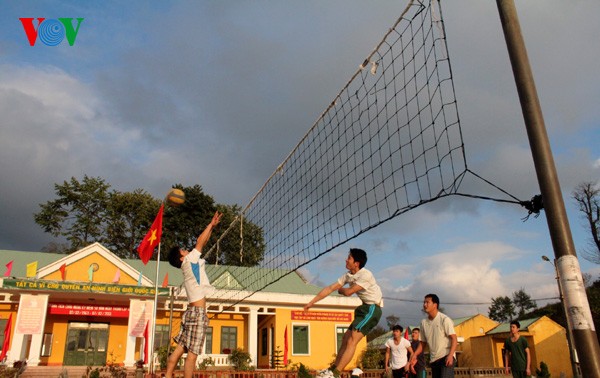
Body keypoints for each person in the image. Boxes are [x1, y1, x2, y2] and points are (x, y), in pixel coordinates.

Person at [304, 248, 383, 377]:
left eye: (349, 258)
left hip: (372, 309)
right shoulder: (348, 275)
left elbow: (348, 292)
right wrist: (311, 303)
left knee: (352, 340)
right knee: (346, 339)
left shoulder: (365, 275)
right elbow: (329, 288)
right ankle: (332, 369)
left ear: (356, 263)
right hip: (364, 308)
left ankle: (335, 373)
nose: (346, 260)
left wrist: (339, 289)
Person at [165, 211, 222, 378]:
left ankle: (167, 376)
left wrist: (212, 228)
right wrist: (211, 224)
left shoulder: (187, 265)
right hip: (197, 314)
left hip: (190, 313)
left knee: (179, 349)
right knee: (192, 356)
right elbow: (200, 242)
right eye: (182, 251)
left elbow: (203, 241)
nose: (185, 250)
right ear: (182, 258)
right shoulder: (190, 260)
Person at [409, 294, 457, 378]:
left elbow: (454, 339)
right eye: (424, 302)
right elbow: (423, 343)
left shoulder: (444, 319)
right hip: (434, 360)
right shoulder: (423, 323)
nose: (424, 304)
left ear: (435, 305)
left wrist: (450, 355)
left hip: (446, 357)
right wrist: (415, 355)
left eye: (427, 302)